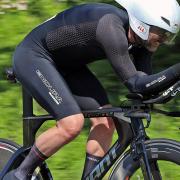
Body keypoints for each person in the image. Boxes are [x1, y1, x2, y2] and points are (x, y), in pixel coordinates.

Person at [4, 0, 180, 179]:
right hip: (34, 56)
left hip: (67, 66)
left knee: (104, 122)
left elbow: (146, 86)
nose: (164, 40)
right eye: (161, 34)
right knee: (71, 124)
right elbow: (135, 83)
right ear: (142, 24)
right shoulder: (110, 27)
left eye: (168, 36)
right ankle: (19, 174)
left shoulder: (142, 42)